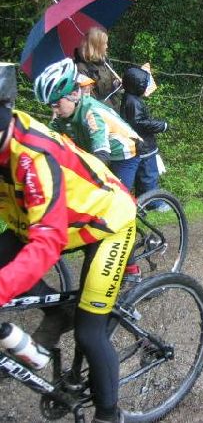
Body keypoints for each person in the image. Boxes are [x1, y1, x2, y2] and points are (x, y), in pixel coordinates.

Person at [0, 63, 134, 423]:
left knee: (90, 333)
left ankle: (108, 415)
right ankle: (57, 312)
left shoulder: (32, 155)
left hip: (105, 222)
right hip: (49, 220)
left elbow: (48, 240)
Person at [34, 58, 142, 192]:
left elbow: (101, 154)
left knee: (116, 196)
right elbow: (46, 139)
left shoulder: (91, 113)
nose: (54, 110)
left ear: (73, 94)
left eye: (57, 104)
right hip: (97, 152)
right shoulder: (63, 116)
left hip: (123, 154)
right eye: (51, 105)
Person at [120, 66, 169, 210]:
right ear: (137, 85)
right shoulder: (132, 102)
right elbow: (139, 123)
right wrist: (161, 126)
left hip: (141, 144)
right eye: (144, 84)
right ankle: (153, 203)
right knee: (149, 175)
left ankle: (143, 202)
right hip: (144, 145)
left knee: (143, 176)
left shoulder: (130, 98)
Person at [74, 27, 122, 111]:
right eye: (105, 44)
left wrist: (117, 83)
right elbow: (87, 99)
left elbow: (111, 81)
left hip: (113, 109)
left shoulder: (104, 62)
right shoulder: (81, 68)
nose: (107, 46)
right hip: (99, 112)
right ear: (96, 46)